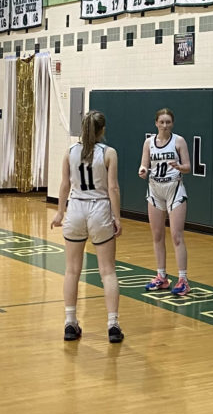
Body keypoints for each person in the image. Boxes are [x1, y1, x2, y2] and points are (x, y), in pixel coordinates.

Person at [51, 110, 124, 343]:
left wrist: (60, 211)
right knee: (108, 270)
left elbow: (64, 185)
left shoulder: (70, 152)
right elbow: (113, 188)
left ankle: (70, 323)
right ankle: (113, 325)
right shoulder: (109, 153)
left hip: (76, 207)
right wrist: (117, 217)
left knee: (72, 269)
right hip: (99, 208)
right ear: (102, 129)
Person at [138, 108, 191, 296]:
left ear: (172, 123)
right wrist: (143, 170)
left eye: (168, 122)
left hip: (174, 189)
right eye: (162, 122)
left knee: (176, 236)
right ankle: (161, 276)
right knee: (157, 235)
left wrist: (179, 166)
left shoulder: (179, 141)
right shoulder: (148, 143)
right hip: (155, 190)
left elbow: (188, 167)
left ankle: (183, 279)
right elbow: (144, 164)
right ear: (156, 123)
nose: (165, 125)